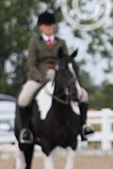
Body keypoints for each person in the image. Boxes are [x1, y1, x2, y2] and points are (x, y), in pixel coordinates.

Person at [17, 10, 92, 143]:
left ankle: (83, 126)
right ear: (41, 27)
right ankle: (26, 130)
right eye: (46, 25)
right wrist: (39, 77)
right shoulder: (35, 43)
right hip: (40, 77)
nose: (49, 28)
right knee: (23, 99)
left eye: (51, 25)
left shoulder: (61, 42)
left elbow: (66, 60)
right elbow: (32, 64)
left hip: (60, 76)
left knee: (84, 95)